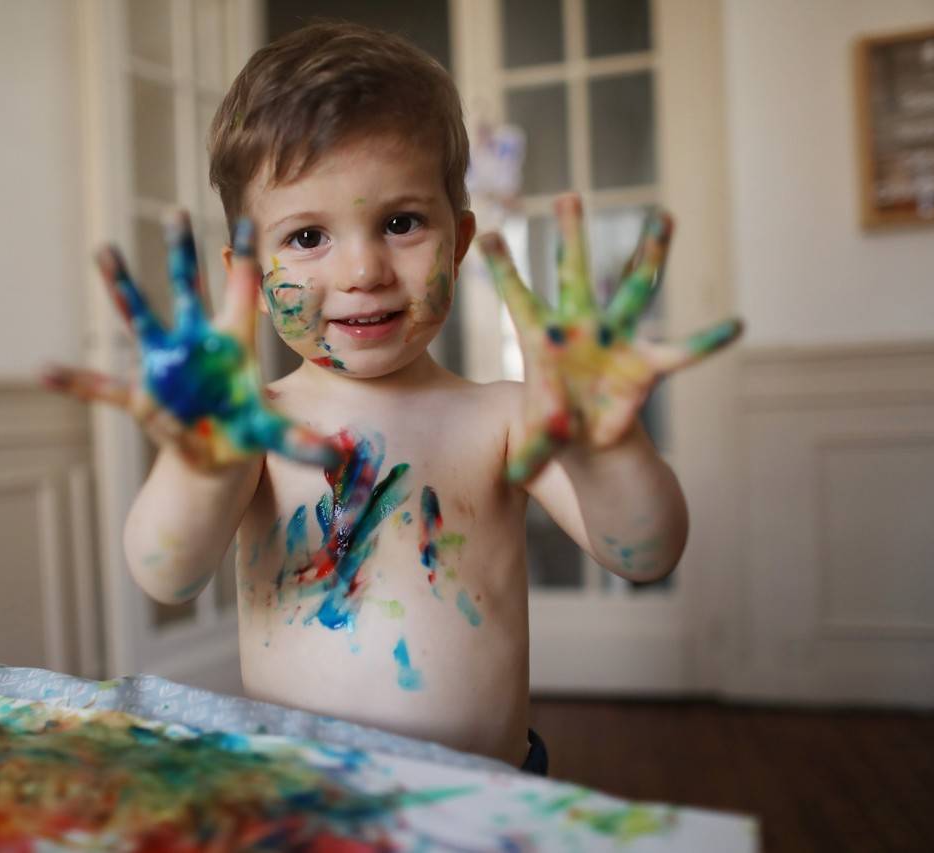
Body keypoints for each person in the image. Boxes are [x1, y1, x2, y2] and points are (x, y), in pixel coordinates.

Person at [47, 22, 740, 773]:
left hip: (486, 800)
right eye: (308, 236)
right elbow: (167, 572)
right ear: (242, 273)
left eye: (400, 223)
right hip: (312, 805)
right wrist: (201, 463)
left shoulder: (504, 419)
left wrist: (608, 447)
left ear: (460, 240)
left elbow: (645, 551)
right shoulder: (260, 426)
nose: (363, 269)